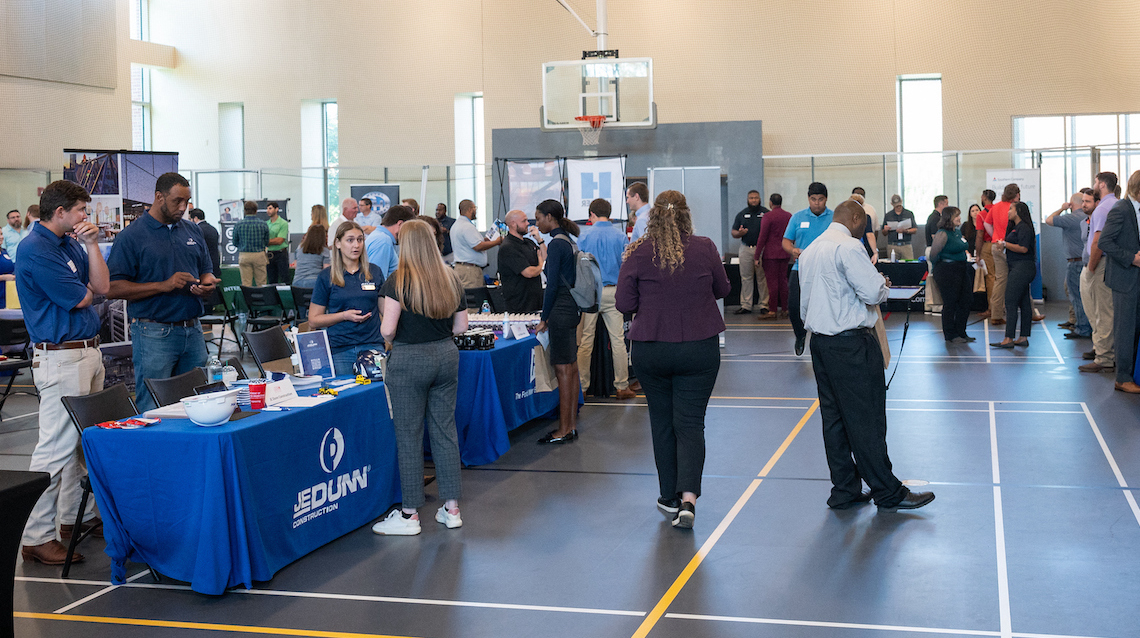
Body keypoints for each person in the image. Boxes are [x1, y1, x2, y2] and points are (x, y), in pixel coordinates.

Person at [799, 199, 934, 512]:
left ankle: (844, 490)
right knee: (867, 419)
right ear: (855, 217)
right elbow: (872, 293)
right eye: (865, 223)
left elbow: (804, 304)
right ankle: (887, 491)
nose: (867, 230)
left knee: (833, 420)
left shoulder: (810, 251)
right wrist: (882, 284)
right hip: (851, 345)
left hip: (820, 344)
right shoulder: (848, 247)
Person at [616, 190, 730, 529]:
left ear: (653, 217)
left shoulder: (637, 252)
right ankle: (689, 500)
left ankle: (668, 495)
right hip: (699, 347)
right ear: (685, 215)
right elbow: (723, 289)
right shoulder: (705, 246)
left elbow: (624, 303)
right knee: (691, 424)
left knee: (662, 421)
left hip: (652, 348)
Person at [16, 181, 109, 566]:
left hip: (87, 353)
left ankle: (74, 518)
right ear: (60, 212)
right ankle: (36, 534)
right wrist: (86, 287)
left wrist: (91, 244)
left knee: (82, 445)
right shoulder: (35, 249)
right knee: (55, 449)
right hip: (60, 358)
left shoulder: (70, 243)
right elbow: (83, 297)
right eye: (82, 211)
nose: (86, 217)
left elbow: (101, 286)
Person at [372, 219, 468, 535]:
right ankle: (452, 509)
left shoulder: (397, 281)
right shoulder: (451, 278)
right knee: (445, 430)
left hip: (409, 360)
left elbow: (387, 329)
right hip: (445, 356)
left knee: (409, 434)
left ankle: (410, 513)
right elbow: (461, 327)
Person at [107, 172, 217, 413]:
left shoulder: (191, 230)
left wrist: (207, 284)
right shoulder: (131, 237)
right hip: (154, 333)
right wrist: (164, 285)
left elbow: (206, 269)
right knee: (153, 405)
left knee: (197, 402)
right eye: (177, 201)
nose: (183, 207)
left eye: (187, 202)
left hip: (193, 330)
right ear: (159, 197)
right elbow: (112, 288)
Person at [308, 222, 386, 376]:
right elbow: (313, 319)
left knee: (375, 395)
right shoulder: (326, 276)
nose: (356, 245)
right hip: (341, 349)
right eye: (350, 240)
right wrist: (344, 315)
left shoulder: (374, 272)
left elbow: (386, 310)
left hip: (372, 346)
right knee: (347, 394)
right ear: (337, 243)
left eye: (360, 240)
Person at [534, 199, 582, 444]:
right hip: (572, 309)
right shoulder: (569, 241)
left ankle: (563, 429)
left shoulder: (556, 245)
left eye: (539, 218)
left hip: (560, 312)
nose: (537, 223)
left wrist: (544, 318)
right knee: (571, 369)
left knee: (563, 370)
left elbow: (551, 285)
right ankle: (570, 425)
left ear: (549, 217)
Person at [576, 198, 635, 399]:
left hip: (590, 293)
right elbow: (627, 266)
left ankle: (582, 387)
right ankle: (621, 386)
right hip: (613, 291)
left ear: (591, 214)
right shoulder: (620, 237)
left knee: (585, 341)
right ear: (609, 214)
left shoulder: (584, 237)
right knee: (618, 340)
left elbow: (579, 268)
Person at [1096, 171, 1140, 394]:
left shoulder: (1134, 210)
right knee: (1125, 329)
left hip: (1135, 280)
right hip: (1124, 279)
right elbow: (1105, 242)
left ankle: (1130, 374)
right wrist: (1132, 258)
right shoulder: (1121, 209)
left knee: (1135, 329)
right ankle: (1122, 377)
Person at [783, 182, 834, 356]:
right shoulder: (797, 217)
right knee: (794, 304)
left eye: (820, 199)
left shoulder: (834, 218)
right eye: (813, 199)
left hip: (826, 269)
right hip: (801, 268)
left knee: (827, 305)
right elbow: (786, 241)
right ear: (808, 199)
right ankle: (800, 335)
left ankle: (825, 340)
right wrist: (793, 250)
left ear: (826, 199)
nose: (817, 203)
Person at [1079, 173, 1118, 373]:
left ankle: (1104, 357)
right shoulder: (1117, 204)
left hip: (1099, 264)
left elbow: (1098, 242)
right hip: (1107, 264)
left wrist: (1091, 268)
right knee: (1102, 311)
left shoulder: (1102, 209)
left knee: (1101, 312)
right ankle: (1102, 349)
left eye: (1095, 182)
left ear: (1101, 184)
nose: (1094, 185)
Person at [1045, 191, 1092, 339]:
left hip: (1075, 262)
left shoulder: (1072, 218)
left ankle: (1082, 328)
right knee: (1085, 297)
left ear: (1072, 204)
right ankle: (1086, 326)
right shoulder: (1088, 217)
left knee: (1076, 297)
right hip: (1086, 261)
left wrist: (1062, 208)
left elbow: (1049, 220)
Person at [990, 202, 1036, 349]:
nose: (1008, 211)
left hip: (1023, 267)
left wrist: (1004, 244)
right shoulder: (1015, 227)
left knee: (1010, 300)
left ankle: (1008, 338)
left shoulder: (1024, 228)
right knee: (1023, 302)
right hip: (1017, 266)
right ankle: (1023, 337)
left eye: (1011, 209)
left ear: (1018, 211)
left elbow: (1023, 248)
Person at [929, 206, 973, 343]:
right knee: (950, 302)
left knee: (966, 300)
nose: (959, 218)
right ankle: (950, 334)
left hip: (961, 268)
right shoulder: (942, 234)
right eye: (956, 216)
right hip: (947, 270)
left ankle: (961, 331)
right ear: (949, 219)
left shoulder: (957, 233)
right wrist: (939, 268)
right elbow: (933, 255)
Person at [980, 184, 1020, 326]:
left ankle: (996, 314)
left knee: (999, 280)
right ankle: (1030, 312)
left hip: (996, 245)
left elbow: (986, 224)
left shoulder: (995, 207)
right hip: (1011, 247)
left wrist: (995, 237)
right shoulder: (1016, 208)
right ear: (1017, 195)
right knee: (1021, 278)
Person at [497, 209, 545, 312]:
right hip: (519, 306)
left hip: (535, 302)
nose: (528, 223)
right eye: (524, 221)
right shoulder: (508, 247)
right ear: (513, 224)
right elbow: (528, 273)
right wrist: (541, 264)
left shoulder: (529, 243)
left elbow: (546, 257)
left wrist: (540, 241)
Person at [730, 190, 768, 315]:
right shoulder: (742, 214)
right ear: (747, 199)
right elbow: (734, 232)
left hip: (762, 249)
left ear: (759, 198)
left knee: (762, 278)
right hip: (746, 248)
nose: (753, 200)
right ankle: (746, 305)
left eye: (756, 198)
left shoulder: (766, 213)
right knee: (746, 278)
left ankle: (764, 304)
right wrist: (740, 233)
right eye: (751, 198)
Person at [756, 193, 792, 319]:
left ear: (771, 203)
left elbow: (762, 237)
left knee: (772, 283)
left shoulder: (768, 216)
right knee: (783, 281)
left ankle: (772, 310)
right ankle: (785, 309)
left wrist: (756, 256)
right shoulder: (788, 216)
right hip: (785, 252)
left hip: (771, 254)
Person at [450, 199, 501, 289]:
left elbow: (470, 243)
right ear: (470, 209)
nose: (476, 211)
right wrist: (497, 241)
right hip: (470, 271)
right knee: (473, 299)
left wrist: (486, 240)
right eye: (475, 208)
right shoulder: (467, 226)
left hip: (462, 267)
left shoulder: (457, 225)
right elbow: (478, 246)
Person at [365, 204, 416, 279]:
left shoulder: (379, 237)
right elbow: (377, 279)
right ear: (400, 224)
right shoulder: (383, 241)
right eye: (409, 230)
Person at [232, 200, 269, 286]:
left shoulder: (238, 224)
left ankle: (248, 299)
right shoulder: (263, 224)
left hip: (244, 255)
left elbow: (235, 242)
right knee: (261, 283)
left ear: (244, 211)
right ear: (256, 211)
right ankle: (261, 299)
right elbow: (266, 242)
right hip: (259, 254)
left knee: (246, 283)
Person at [974, 190, 997, 318]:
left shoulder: (981, 215)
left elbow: (979, 235)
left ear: (984, 198)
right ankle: (1001, 305)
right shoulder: (999, 210)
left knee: (991, 277)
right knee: (1001, 276)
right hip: (1001, 245)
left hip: (988, 245)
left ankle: (992, 308)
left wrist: (978, 253)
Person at [923, 195, 949, 314]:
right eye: (946, 204)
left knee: (931, 277)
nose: (947, 206)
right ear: (941, 204)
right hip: (934, 250)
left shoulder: (933, 217)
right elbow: (936, 238)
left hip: (932, 249)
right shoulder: (935, 218)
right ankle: (936, 306)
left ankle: (929, 305)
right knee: (935, 278)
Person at [292, 224, 330, 289]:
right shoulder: (324, 250)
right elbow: (326, 270)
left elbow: (295, 265)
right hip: (315, 283)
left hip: (297, 283)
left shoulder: (300, 248)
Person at [880, 194, 916, 260]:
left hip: (906, 245)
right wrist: (885, 230)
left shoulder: (909, 214)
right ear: (892, 204)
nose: (898, 207)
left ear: (901, 202)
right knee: (893, 266)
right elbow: (884, 233)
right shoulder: (888, 215)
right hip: (892, 245)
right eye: (896, 206)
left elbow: (914, 229)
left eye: (899, 205)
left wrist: (906, 231)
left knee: (909, 265)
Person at [188, 208, 222, 278]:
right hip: (215, 264)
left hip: (203, 268)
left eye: (190, 219)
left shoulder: (196, 230)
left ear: (195, 218)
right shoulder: (213, 229)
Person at [264, 202, 290, 284]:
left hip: (280, 253)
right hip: (269, 254)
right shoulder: (266, 224)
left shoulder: (283, 223)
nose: (268, 211)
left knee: (284, 278)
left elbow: (280, 240)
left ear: (277, 209)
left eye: (270, 208)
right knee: (271, 279)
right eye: (267, 208)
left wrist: (267, 241)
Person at [850, 193, 878, 262]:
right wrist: (875, 252)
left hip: (850, 249)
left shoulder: (846, 218)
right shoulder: (866, 217)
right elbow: (869, 235)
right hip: (863, 248)